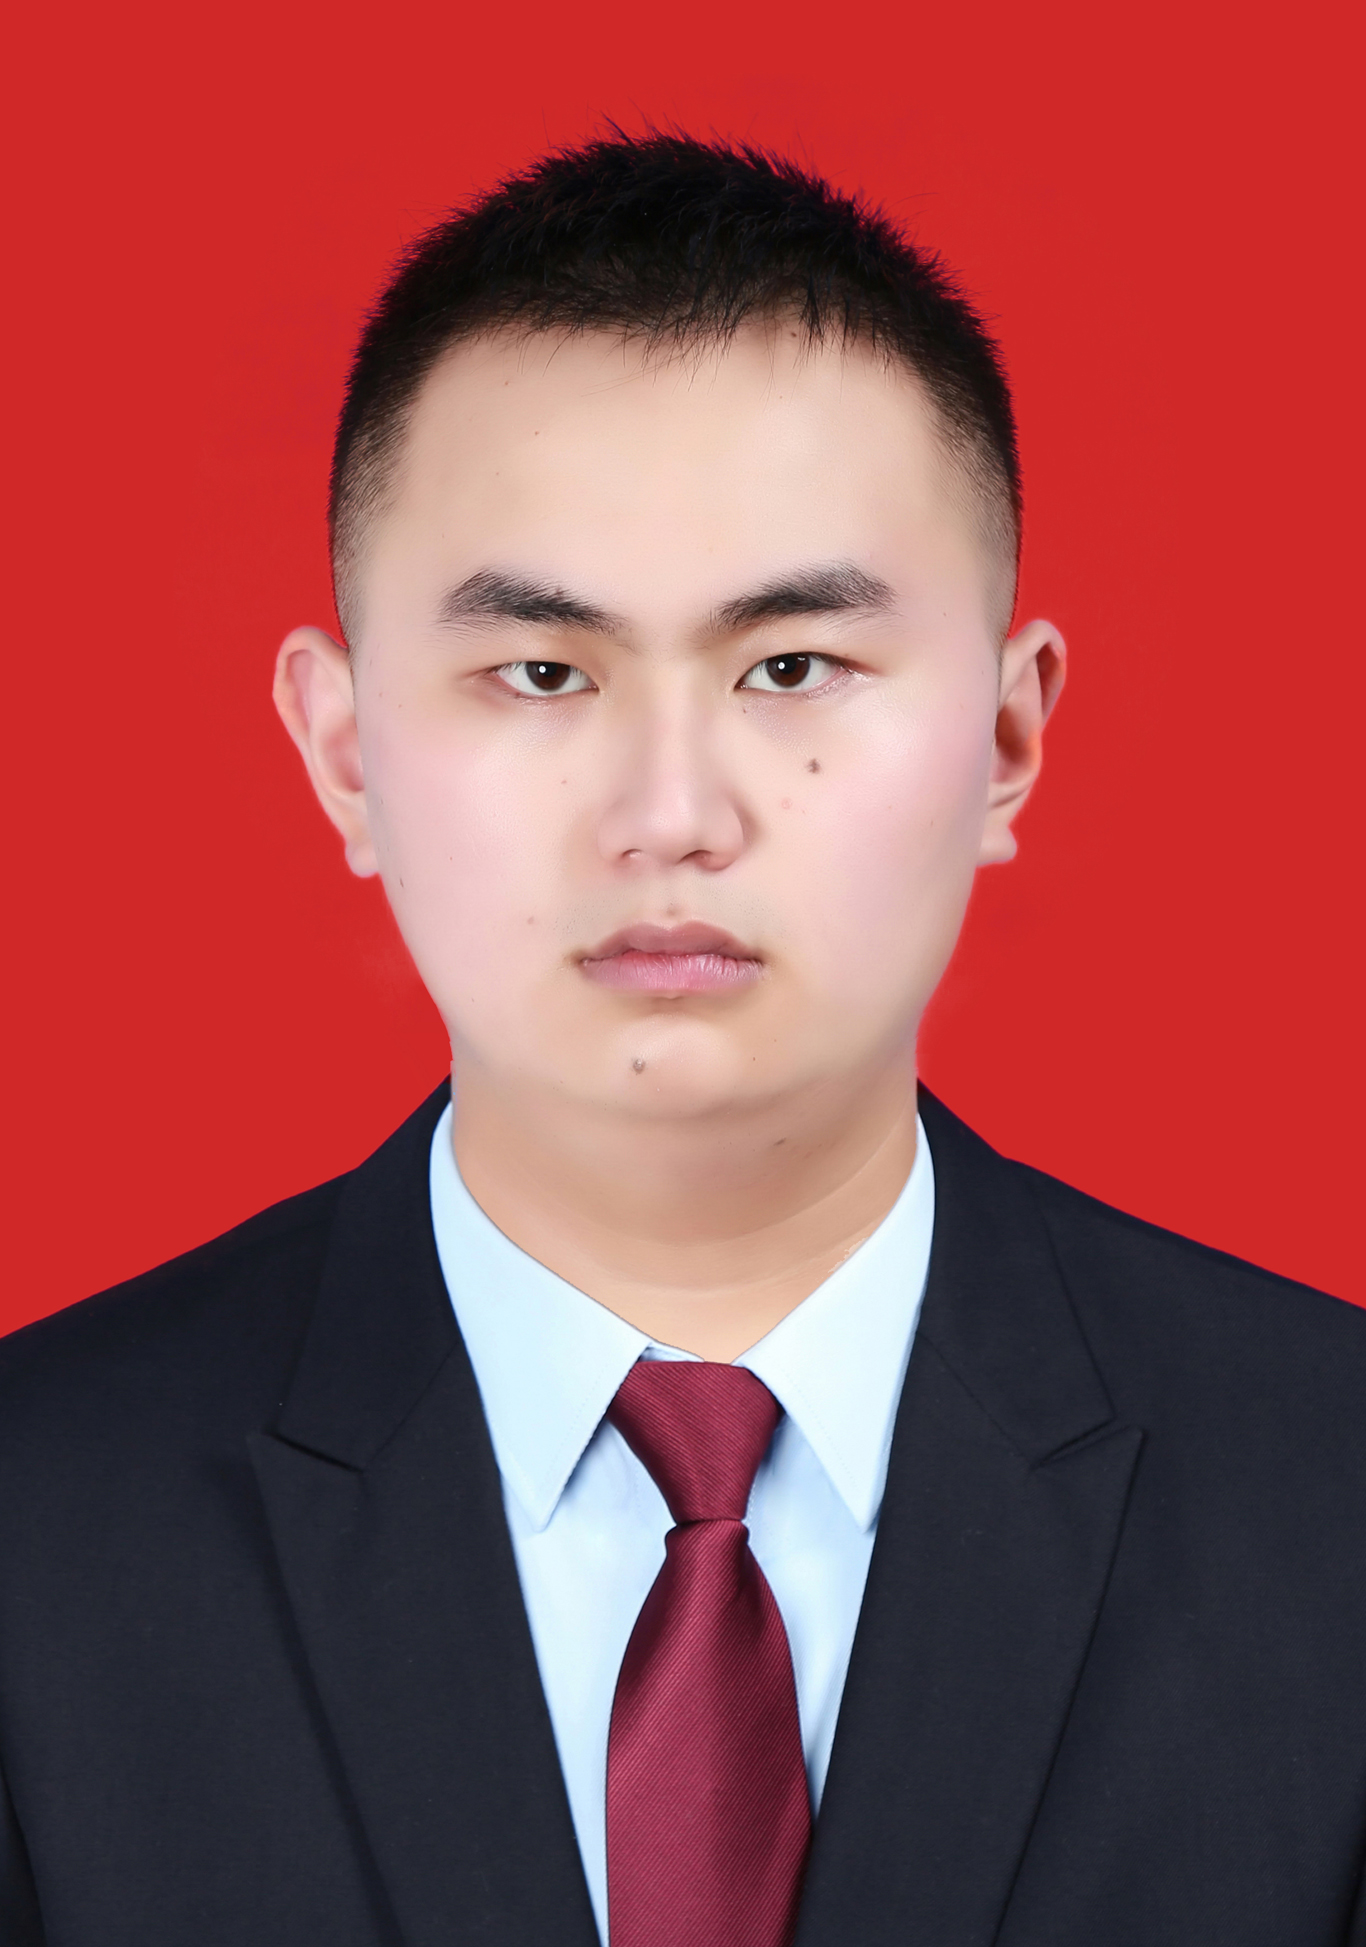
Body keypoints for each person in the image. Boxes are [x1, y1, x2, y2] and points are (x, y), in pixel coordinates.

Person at [1, 131, 1364, 1947]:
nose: (668, 815)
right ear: (343, 753)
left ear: (1006, 742)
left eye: (790, 667)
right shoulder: (35, 1524)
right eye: (541, 673)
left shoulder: (1331, 1499)